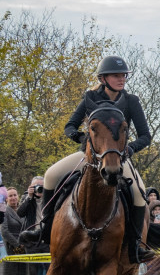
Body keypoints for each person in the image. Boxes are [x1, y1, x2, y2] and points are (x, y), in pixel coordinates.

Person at [21, 56, 152, 263]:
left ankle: (136, 246)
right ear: (103, 78)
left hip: (118, 158)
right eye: (116, 75)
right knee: (50, 175)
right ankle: (44, 229)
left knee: (138, 192)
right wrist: (85, 141)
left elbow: (145, 136)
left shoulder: (131, 101)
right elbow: (70, 126)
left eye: (123, 75)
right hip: (90, 155)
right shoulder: (90, 97)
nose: (122, 79)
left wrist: (129, 149)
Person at [18, 177, 47, 275]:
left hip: (45, 238)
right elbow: (20, 212)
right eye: (36, 187)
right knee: (33, 274)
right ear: (31, 187)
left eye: (41, 186)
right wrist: (30, 197)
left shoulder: (49, 197)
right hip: (31, 239)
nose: (39, 189)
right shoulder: (27, 198)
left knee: (50, 271)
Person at [1, 189, 30, 275]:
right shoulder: (4, 211)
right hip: (9, 247)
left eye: (15, 195)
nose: (13, 198)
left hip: (23, 248)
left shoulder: (22, 211)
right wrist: (17, 244)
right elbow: (4, 231)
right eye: (10, 196)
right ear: (6, 198)